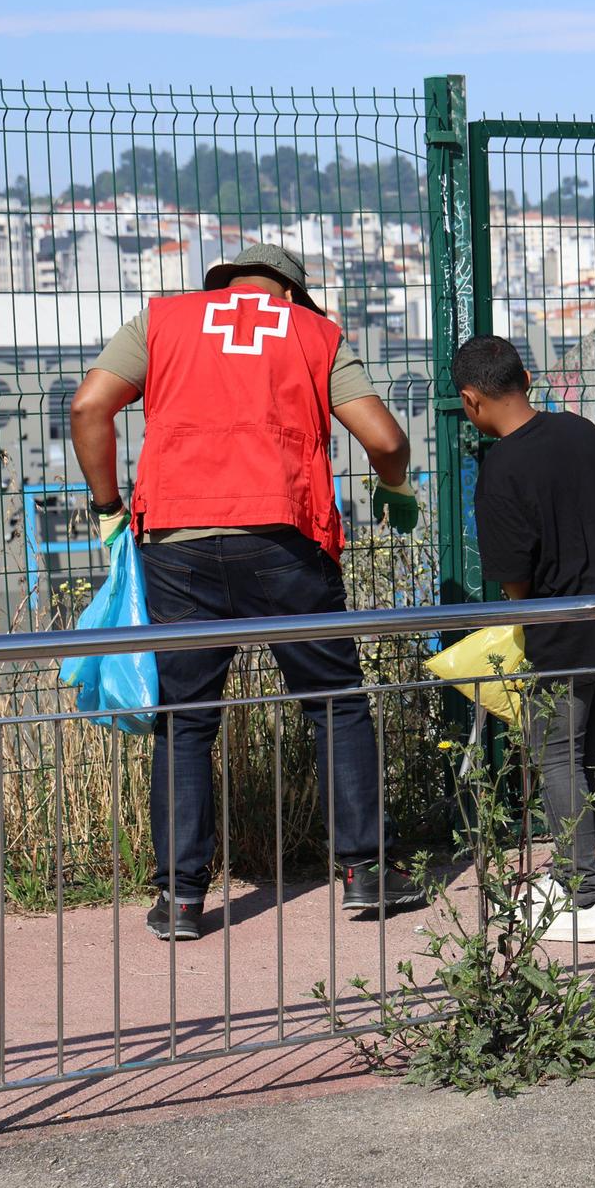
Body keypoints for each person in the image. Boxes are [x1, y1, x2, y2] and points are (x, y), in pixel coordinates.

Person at [69, 243, 426, 942]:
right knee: (335, 705)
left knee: (185, 718)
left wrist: (109, 507)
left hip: (177, 542)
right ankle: (365, 871)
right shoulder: (312, 332)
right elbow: (384, 437)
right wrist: (396, 485)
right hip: (286, 540)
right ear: (292, 293)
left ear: (223, 285)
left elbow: (88, 406)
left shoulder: (163, 320)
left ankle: (179, 898)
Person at [455, 335, 595, 944]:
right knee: (591, 751)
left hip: (562, 629)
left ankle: (584, 892)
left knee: (559, 756)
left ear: (472, 400)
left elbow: (516, 579)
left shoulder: (500, 469)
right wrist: (585, 519)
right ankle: (582, 871)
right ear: (525, 380)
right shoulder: (578, 430)